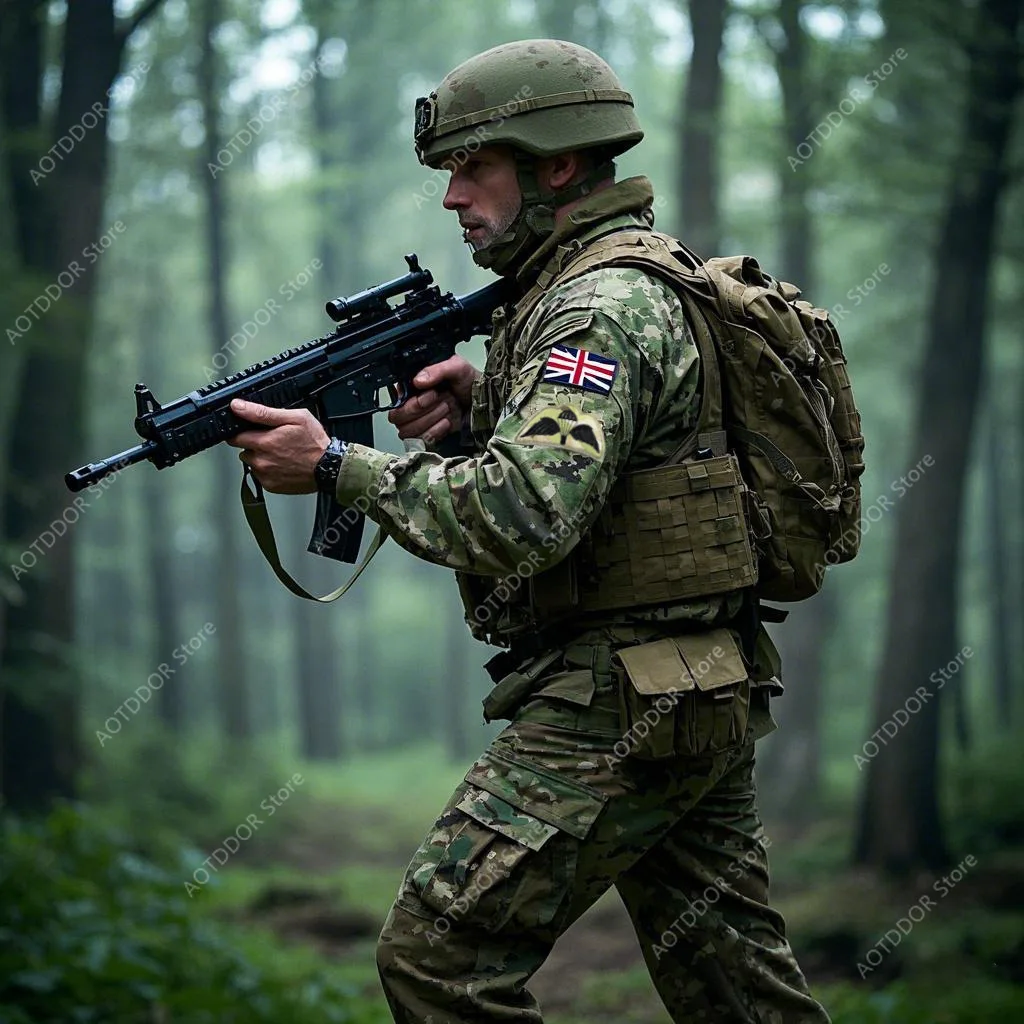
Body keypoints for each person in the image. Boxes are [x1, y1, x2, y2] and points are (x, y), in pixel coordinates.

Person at [226, 38, 831, 1024]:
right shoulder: (601, 284)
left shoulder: (593, 306)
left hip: (618, 693)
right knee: (738, 993)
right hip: (687, 678)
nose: (452, 197)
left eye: (475, 167)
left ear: (554, 165)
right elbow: (604, 483)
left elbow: (525, 512)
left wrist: (336, 465)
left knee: (437, 955)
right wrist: (473, 421)